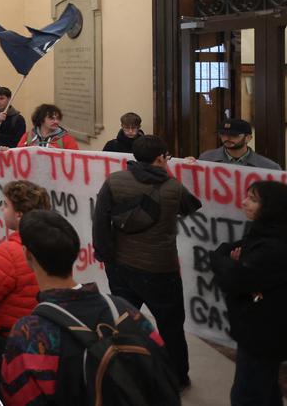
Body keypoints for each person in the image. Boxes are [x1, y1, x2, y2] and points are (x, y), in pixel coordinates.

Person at [1, 211, 177, 406]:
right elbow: (163, 371)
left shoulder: (29, 334)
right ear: (74, 253)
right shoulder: (126, 310)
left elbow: (18, 397)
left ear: (27, 255)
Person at [92, 134, 201, 389]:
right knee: (171, 325)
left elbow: (100, 221)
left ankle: (126, 372)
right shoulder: (173, 187)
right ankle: (177, 377)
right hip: (160, 268)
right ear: (161, 158)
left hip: (120, 265)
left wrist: (105, 255)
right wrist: (167, 172)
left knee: (124, 322)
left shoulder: (115, 180)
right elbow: (191, 206)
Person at [210, 180, 287, 406]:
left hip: (264, 332)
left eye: (253, 199)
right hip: (265, 329)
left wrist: (221, 258)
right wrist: (230, 259)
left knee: (247, 395)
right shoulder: (273, 232)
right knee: (265, 386)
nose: (243, 203)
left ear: (273, 208)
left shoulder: (277, 246)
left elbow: (234, 278)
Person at [0, 180, 51, 379]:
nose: (2, 209)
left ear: (19, 214)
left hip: (7, 339)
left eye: (5, 205)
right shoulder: (51, 242)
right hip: (38, 336)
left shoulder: (9, 252)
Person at [197, 118, 281, 170]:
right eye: (223, 135)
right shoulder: (206, 159)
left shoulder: (268, 167)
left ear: (248, 138)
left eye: (234, 135)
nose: (227, 139)